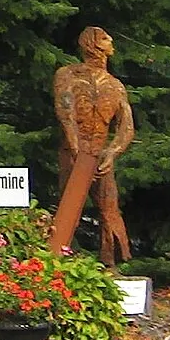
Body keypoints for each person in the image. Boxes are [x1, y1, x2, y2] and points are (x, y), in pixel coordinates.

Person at [50, 26, 136, 264]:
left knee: (109, 208)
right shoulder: (68, 74)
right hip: (74, 152)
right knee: (69, 208)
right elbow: (65, 110)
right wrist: (75, 146)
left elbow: (126, 126)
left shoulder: (116, 86)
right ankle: (56, 259)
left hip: (99, 153)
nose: (112, 43)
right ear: (95, 44)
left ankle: (112, 262)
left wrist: (113, 152)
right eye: (107, 39)